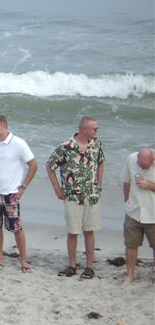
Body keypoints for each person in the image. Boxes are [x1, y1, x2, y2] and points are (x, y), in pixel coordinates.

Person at [47, 116, 105, 279]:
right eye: (94, 129)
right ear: (84, 130)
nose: (97, 131)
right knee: (73, 232)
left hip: (91, 195)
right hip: (72, 196)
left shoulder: (96, 145)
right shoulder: (66, 147)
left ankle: (89, 267)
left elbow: (101, 162)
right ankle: (72, 265)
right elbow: (50, 166)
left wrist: (99, 184)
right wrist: (57, 189)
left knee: (89, 231)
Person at [0, 114, 38, 272]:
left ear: (4, 126)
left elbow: (33, 165)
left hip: (11, 193)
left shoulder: (18, 143)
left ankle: (24, 260)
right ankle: (0, 257)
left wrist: (23, 187)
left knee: (16, 228)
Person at [121, 148, 155, 283]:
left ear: (152, 160)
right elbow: (126, 182)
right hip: (134, 211)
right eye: (140, 164)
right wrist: (127, 202)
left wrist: (150, 185)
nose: (141, 167)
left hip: (153, 213)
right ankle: (130, 274)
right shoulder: (131, 159)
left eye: (144, 166)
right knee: (131, 244)